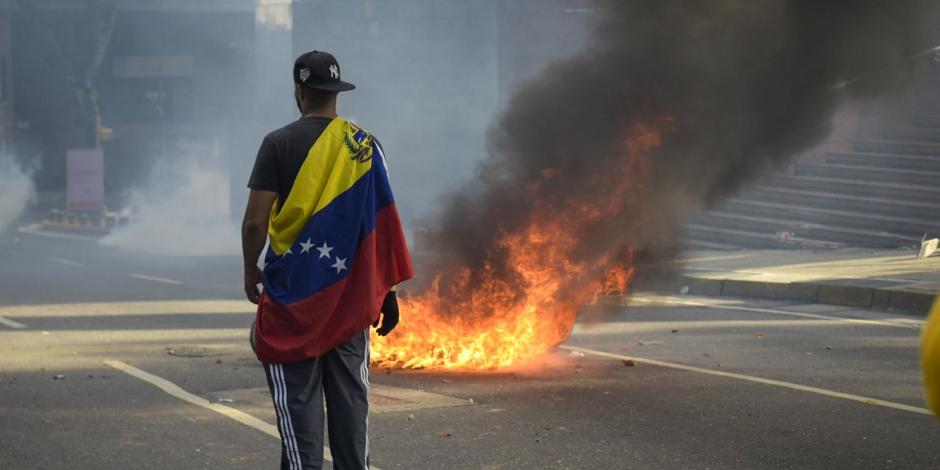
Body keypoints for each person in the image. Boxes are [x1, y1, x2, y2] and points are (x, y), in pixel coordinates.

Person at [241, 50, 413, 469]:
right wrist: (385, 293)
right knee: (351, 415)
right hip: (351, 302)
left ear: (299, 91)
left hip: (292, 303)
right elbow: (381, 226)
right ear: (337, 92)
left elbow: (254, 224)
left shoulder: (277, 144)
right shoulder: (364, 145)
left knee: (300, 429)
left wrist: (250, 270)